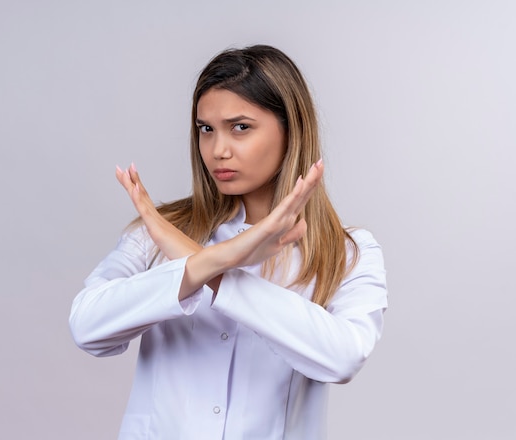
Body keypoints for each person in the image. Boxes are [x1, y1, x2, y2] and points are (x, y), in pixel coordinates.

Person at [69, 45, 387, 439]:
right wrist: (214, 260)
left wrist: (215, 274)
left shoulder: (349, 252)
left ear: (291, 130)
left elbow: (342, 357)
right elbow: (88, 327)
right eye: (206, 129)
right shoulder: (158, 231)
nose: (218, 150)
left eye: (240, 127)